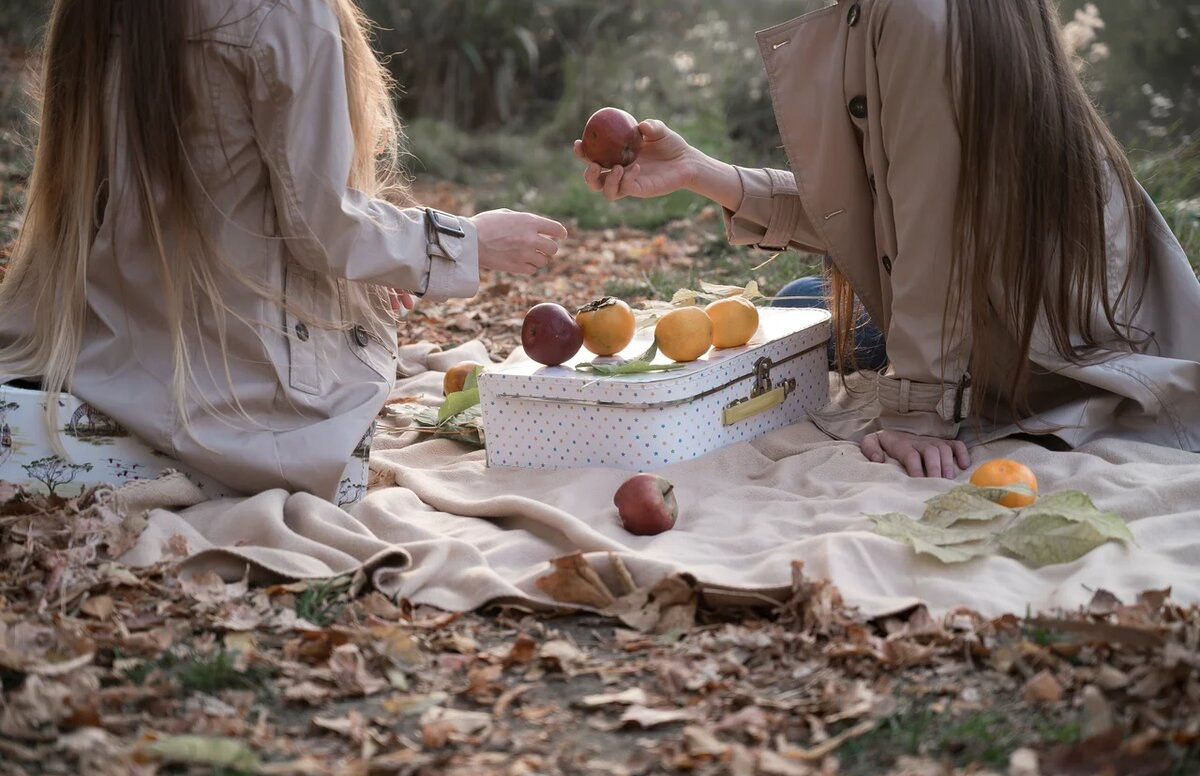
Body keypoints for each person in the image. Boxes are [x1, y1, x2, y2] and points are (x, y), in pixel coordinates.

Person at [576, 0, 1200, 479]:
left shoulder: (911, 16)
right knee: (797, 306)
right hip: (1038, 307)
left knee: (801, 323)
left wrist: (920, 413)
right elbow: (886, 214)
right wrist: (704, 174)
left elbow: (935, 227)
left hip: (1046, 343)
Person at [0, 0, 568, 502]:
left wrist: (368, 267)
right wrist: (467, 241)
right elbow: (322, 227)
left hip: (94, 342)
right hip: (240, 391)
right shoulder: (289, 12)